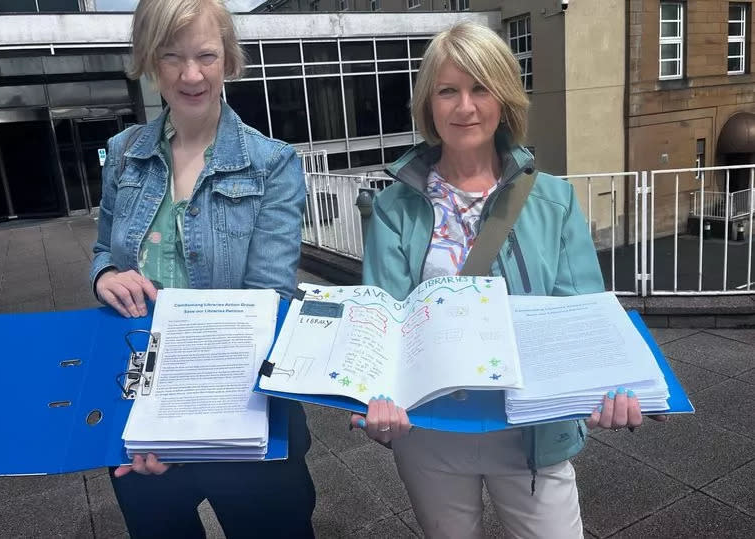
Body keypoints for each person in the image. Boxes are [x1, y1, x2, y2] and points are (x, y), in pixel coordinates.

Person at [351, 22, 665, 539]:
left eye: (480, 88)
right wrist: (371, 401)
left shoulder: (554, 202)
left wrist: (622, 389)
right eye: (447, 91)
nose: (464, 107)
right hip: (432, 431)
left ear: (505, 98)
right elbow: (383, 320)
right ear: (429, 104)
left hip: (532, 430)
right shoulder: (394, 208)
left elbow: (581, 315)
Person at [89, 1, 314, 537]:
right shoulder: (123, 154)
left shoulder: (272, 163)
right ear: (149, 61)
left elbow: (269, 302)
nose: (191, 75)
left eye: (206, 56)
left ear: (229, 60)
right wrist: (104, 278)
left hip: (241, 408)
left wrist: (185, 428)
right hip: (140, 410)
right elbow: (104, 251)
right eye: (172, 57)